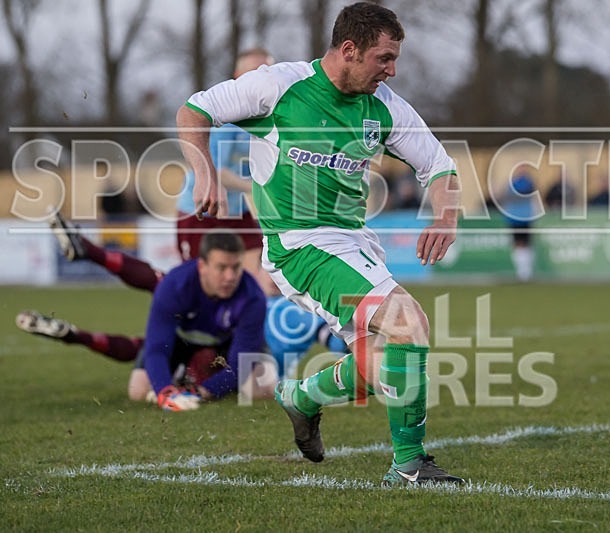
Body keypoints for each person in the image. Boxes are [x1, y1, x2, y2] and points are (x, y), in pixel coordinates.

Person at [177, 2, 463, 486]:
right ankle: (410, 465)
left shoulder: (385, 105)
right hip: (299, 244)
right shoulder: (278, 85)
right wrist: (204, 172)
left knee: (381, 365)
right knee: (408, 321)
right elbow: (193, 111)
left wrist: (447, 215)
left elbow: (438, 165)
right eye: (384, 58)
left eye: (394, 60)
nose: (391, 70)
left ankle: (302, 396)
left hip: (354, 242)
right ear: (349, 50)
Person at [20, 214, 347, 393]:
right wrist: (165, 393)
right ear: (203, 266)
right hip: (186, 336)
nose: (232, 276)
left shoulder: (258, 298)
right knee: (140, 388)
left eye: (238, 267)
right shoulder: (180, 283)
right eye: (222, 268)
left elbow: (237, 365)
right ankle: (86, 262)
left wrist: (200, 394)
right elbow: (158, 346)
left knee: (261, 388)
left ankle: (86, 272)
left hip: (227, 350)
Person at [175, 47, 279, 297]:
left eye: (266, 71)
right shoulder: (227, 117)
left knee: (263, 278)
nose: (260, 77)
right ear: (237, 76)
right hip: (201, 210)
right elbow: (216, 173)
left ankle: (263, 331)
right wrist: (257, 186)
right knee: (202, 287)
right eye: (254, 71)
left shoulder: (267, 118)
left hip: (235, 211)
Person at [501, 170, 536, 281]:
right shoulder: (528, 183)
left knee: (520, 244)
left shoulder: (511, 185)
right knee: (523, 245)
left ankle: (524, 272)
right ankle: (524, 272)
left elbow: (504, 198)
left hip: (516, 218)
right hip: (522, 218)